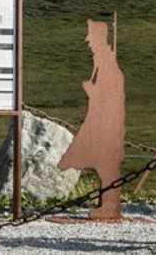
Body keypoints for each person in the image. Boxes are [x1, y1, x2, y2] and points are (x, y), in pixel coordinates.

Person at [59, 19, 126, 220]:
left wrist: (91, 91)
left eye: (91, 36)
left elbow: (110, 95)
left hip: (106, 122)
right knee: (103, 164)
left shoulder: (107, 62)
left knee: (107, 166)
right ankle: (107, 205)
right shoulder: (101, 60)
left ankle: (109, 206)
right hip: (99, 120)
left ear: (99, 38)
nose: (87, 40)